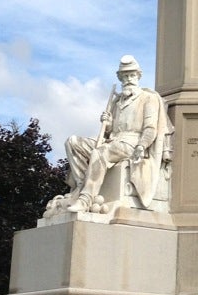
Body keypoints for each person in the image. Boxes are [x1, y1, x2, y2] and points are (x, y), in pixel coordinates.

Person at [66, 56, 170, 213]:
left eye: (132, 75)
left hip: (131, 144)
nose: (128, 79)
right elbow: (109, 132)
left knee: (100, 152)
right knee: (72, 142)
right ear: (120, 78)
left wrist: (142, 145)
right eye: (125, 76)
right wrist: (107, 123)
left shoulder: (148, 98)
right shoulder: (116, 101)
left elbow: (150, 129)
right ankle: (83, 185)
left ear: (138, 76)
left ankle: (85, 199)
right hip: (112, 142)